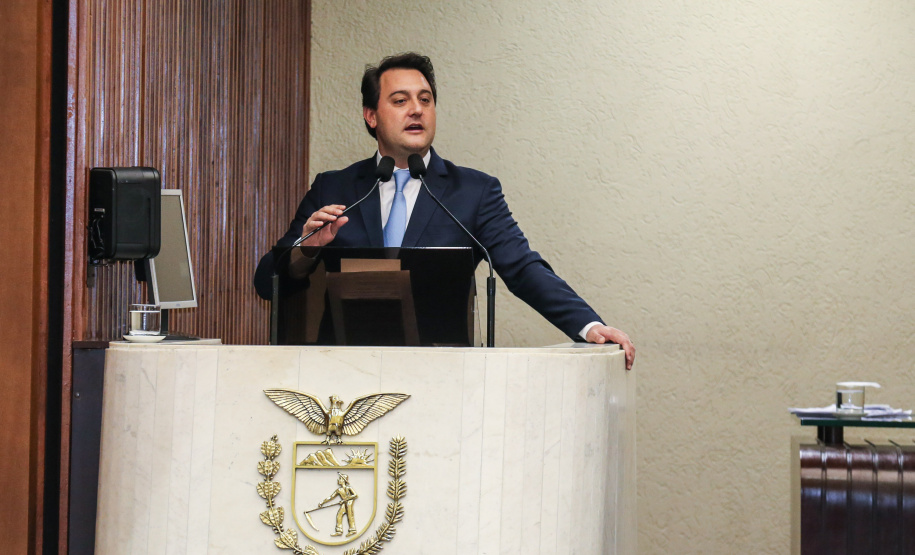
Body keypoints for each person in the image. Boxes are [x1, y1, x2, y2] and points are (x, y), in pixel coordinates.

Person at [254, 53, 635, 369]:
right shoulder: (334, 188)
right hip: (342, 373)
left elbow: (522, 268)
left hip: (445, 375)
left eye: (425, 99)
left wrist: (588, 325)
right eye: (400, 101)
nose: (416, 110)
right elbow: (266, 280)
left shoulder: (473, 192)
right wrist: (307, 249)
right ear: (371, 116)